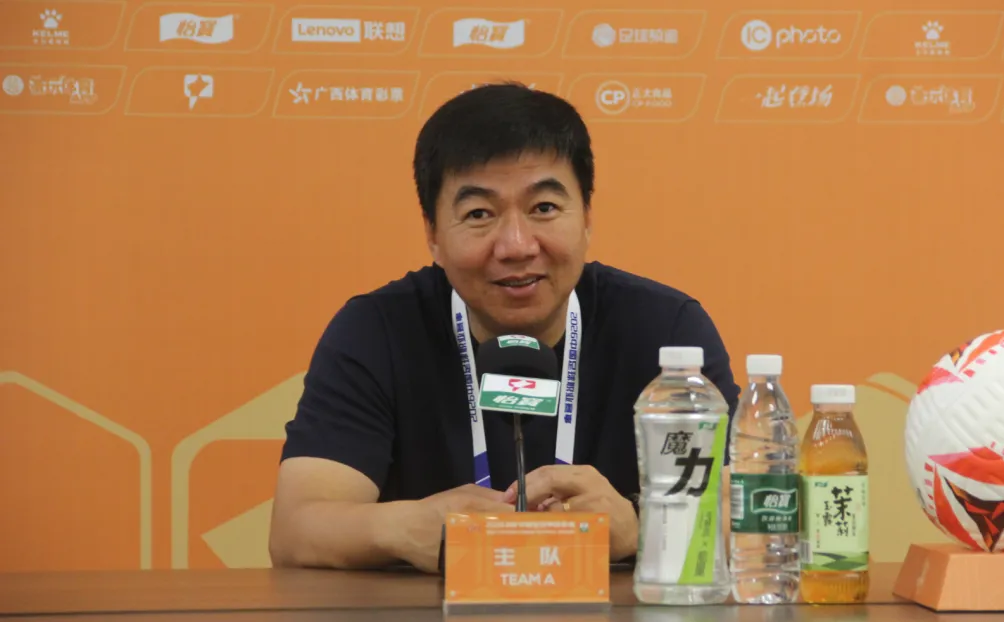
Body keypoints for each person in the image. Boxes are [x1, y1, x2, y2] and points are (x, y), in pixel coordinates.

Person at [268, 82, 741, 573]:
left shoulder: (665, 330)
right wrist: (409, 526)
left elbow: (749, 518)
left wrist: (641, 527)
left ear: (586, 218)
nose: (516, 245)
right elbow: (297, 530)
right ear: (432, 234)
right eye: (479, 214)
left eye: (544, 209)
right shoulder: (377, 331)